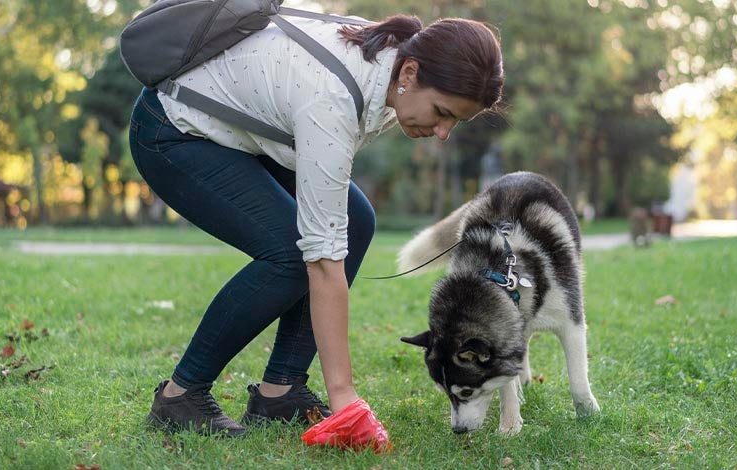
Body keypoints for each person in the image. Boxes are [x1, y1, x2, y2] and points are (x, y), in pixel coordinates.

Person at [129, 12, 504, 437]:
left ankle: (280, 392)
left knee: (355, 221)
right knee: (291, 254)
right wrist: (344, 395)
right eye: (441, 112)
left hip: (243, 134)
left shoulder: (390, 68)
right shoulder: (334, 98)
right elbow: (323, 261)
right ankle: (180, 397)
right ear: (411, 72)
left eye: (455, 121)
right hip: (173, 131)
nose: (442, 132)